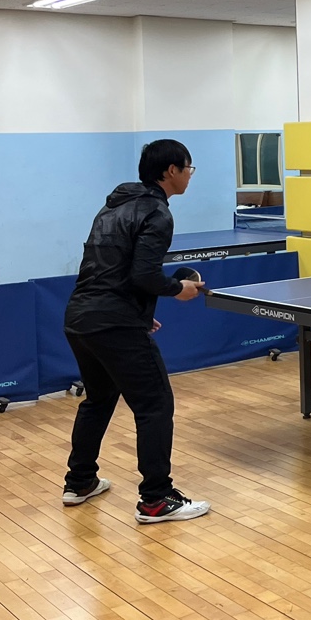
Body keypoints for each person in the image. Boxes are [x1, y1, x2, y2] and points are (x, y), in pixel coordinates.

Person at [62, 139, 212, 522]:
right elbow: (143, 274)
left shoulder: (113, 206)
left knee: (99, 399)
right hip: (114, 322)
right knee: (155, 405)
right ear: (171, 171)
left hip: (81, 318)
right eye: (189, 168)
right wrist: (179, 289)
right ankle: (156, 499)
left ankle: (80, 481)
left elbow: (108, 269)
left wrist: (140, 313)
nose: (190, 175)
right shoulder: (158, 213)